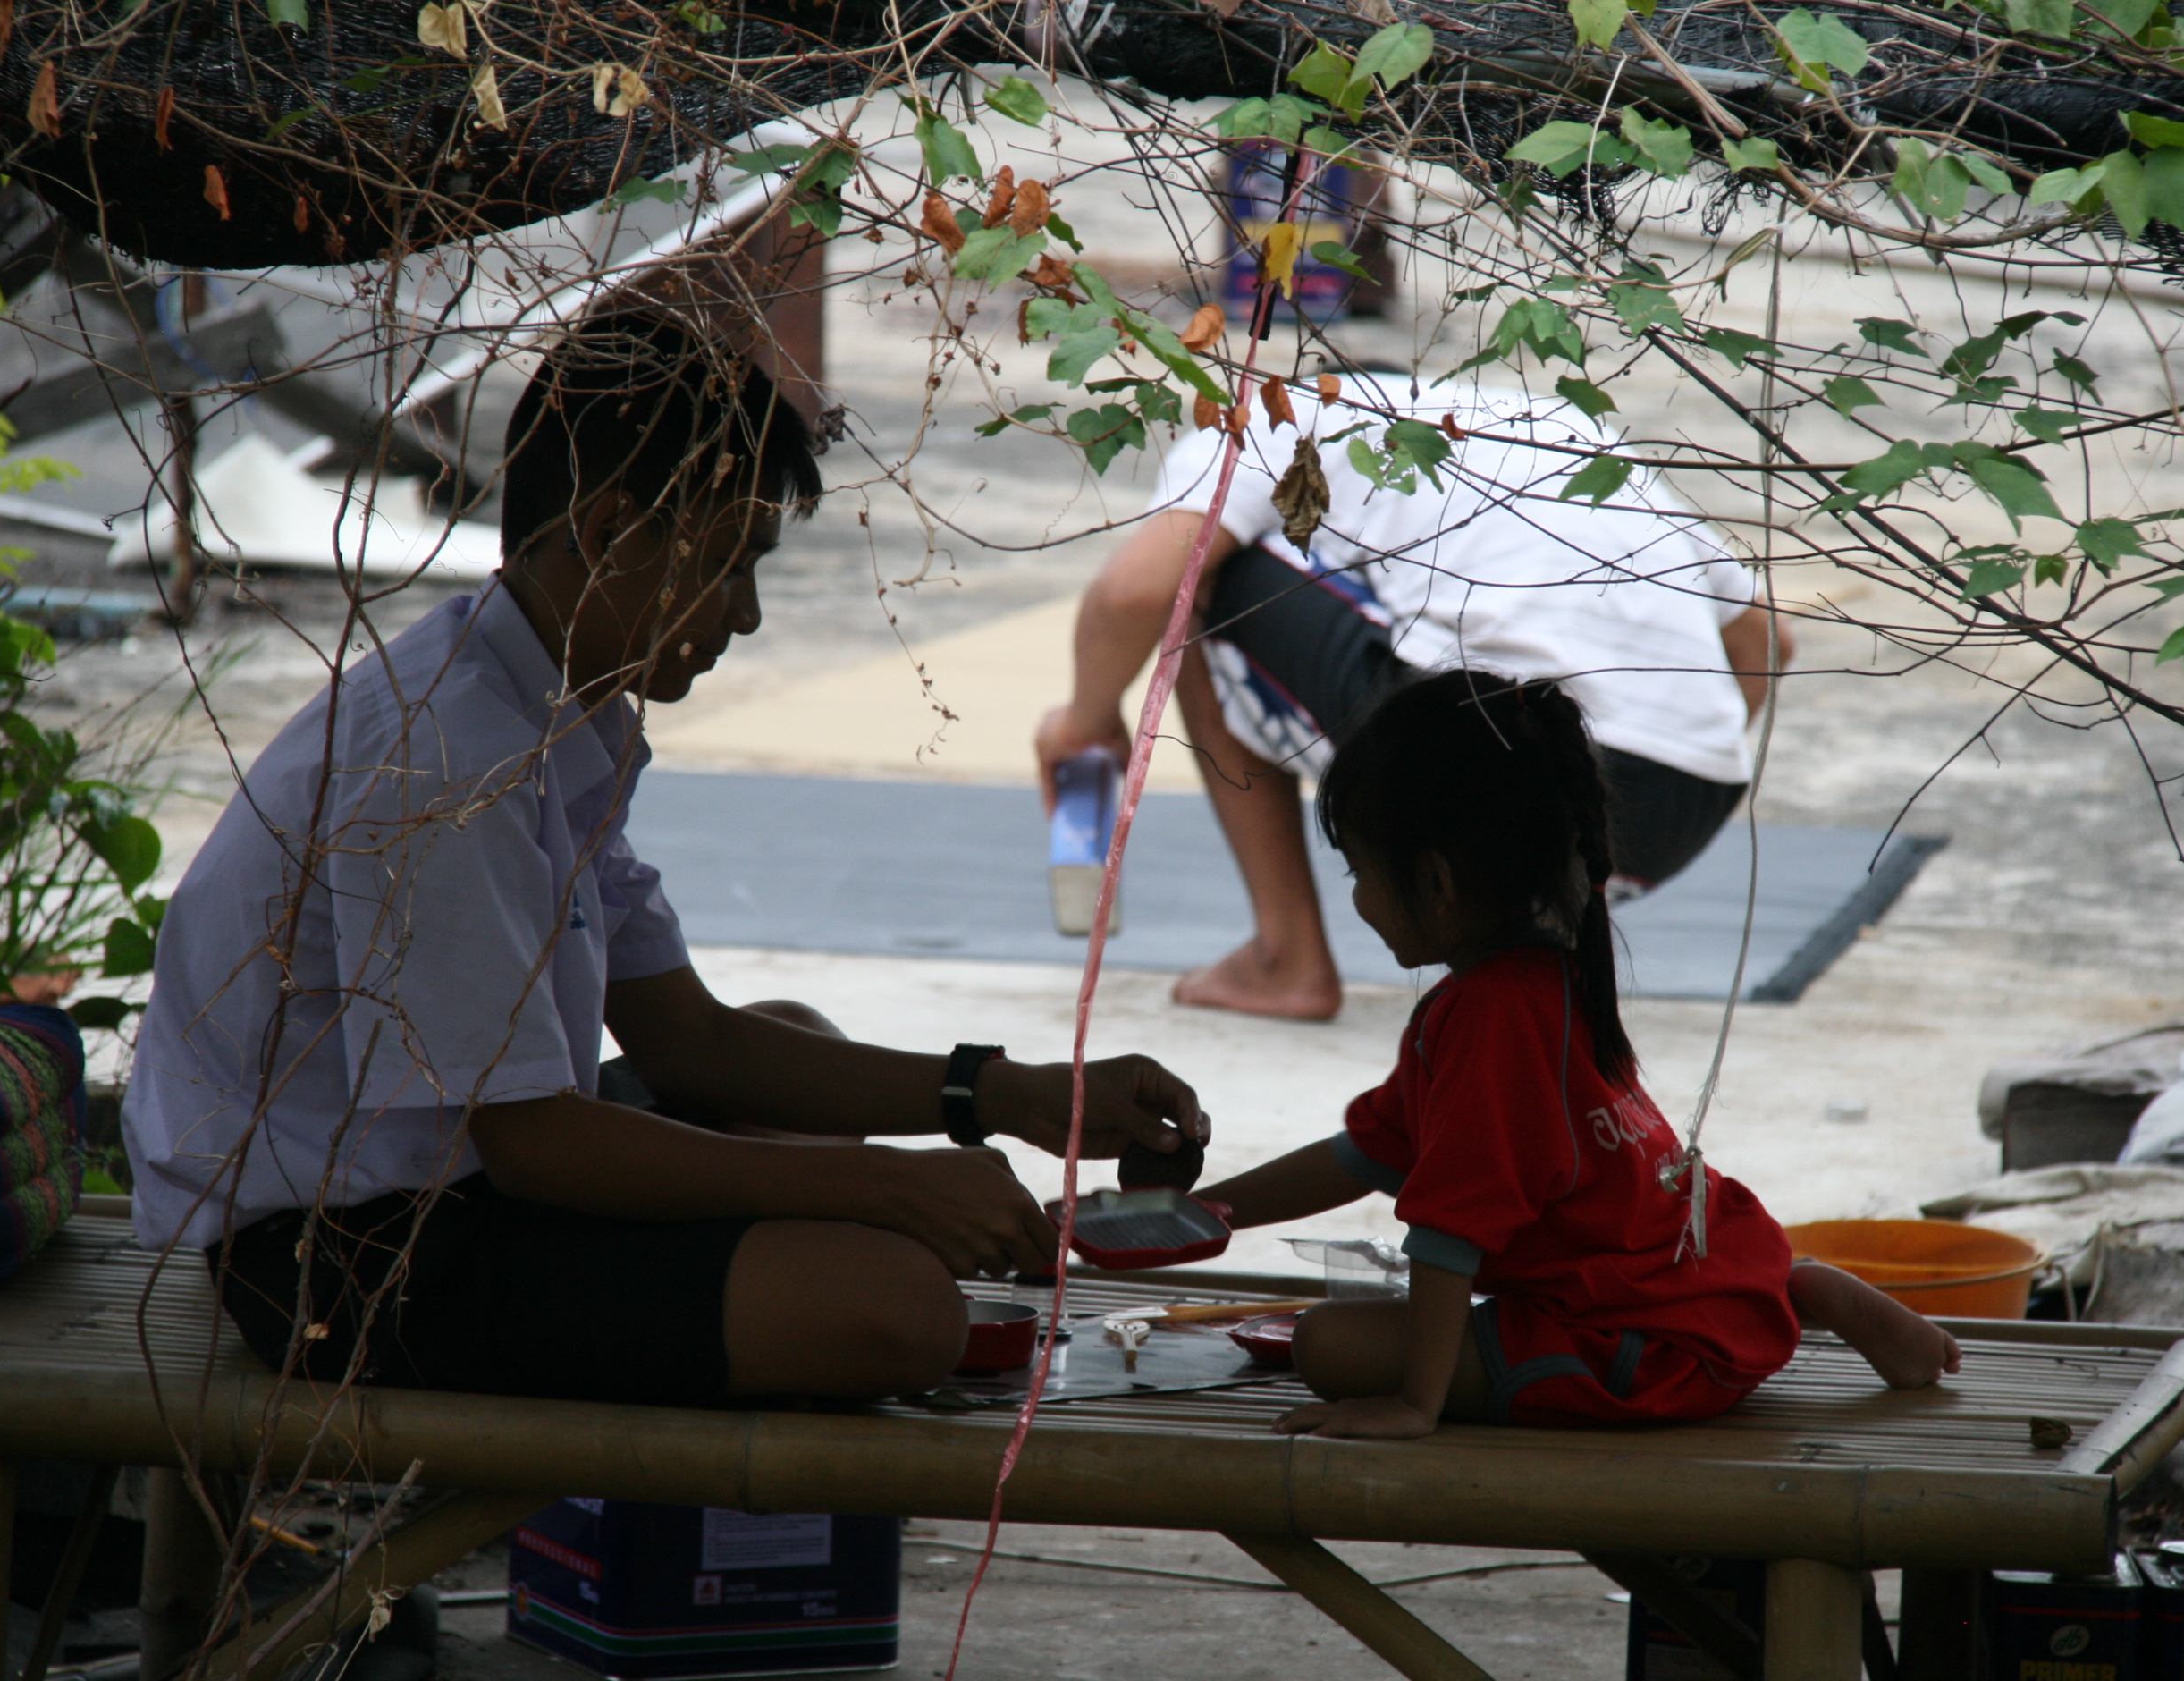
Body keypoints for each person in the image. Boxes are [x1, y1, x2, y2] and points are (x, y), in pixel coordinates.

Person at [122, 312, 1203, 1407]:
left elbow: (688, 1039)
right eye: (728, 562)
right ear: (608, 530)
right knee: (897, 1303)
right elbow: (534, 1144)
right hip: (339, 1254)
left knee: (797, 1042)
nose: (747, 612)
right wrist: (888, 1185)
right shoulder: (448, 763)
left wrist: (1010, 1093)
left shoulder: (542, 705)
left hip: (461, 1174)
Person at [1197, 670, 1956, 1438]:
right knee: (1354, 1329)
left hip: (1644, 1351)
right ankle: (1795, 1288)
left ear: (1435, 880)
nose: (1358, 897)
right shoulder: (1551, 973)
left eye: (1360, 871)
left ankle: (1790, 1293)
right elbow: (1366, 1153)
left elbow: (1450, 1233)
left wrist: (1414, 1404)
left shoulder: (1488, 1017)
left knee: (1328, 1344)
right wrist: (1201, 1214)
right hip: (1714, 1280)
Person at [1035, 372, 1796, 1021]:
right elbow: (1766, 643)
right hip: (1678, 814)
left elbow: (1137, 593)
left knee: (1205, 578)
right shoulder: (1569, 429)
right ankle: (1534, 917)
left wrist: (1084, 724)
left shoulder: (1277, 414)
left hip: (1485, 789)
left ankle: (1286, 958)